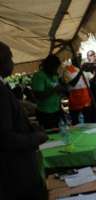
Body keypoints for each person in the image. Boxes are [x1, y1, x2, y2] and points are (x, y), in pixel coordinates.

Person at [0, 41, 48, 199]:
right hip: (16, 173)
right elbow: (5, 138)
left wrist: (21, 109)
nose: (13, 63)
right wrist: (36, 138)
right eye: (10, 59)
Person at [32, 54, 64, 129]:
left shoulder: (54, 76)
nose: (56, 69)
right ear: (49, 66)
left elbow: (56, 91)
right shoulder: (39, 76)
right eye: (55, 67)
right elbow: (38, 96)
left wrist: (60, 90)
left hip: (56, 110)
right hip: (45, 113)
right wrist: (54, 90)